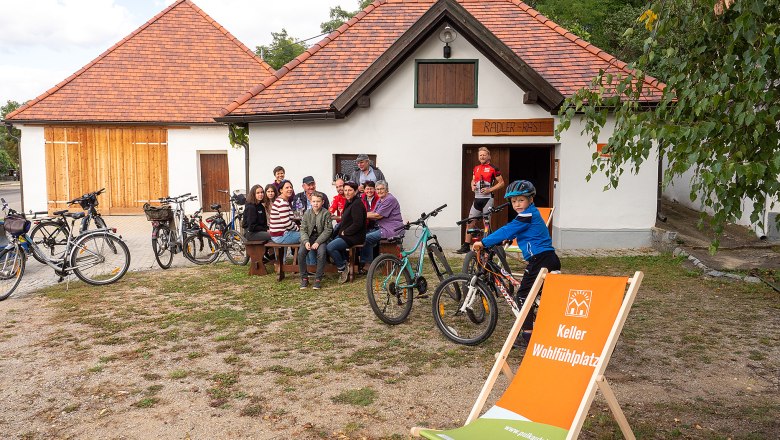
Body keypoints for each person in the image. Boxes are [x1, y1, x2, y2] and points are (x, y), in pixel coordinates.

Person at [472, 180, 560, 345]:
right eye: (514, 201)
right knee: (541, 296)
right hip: (549, 258)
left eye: (521, 200)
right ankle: (544, 326)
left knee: (522, 295)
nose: (517, 204)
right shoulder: (531, 214)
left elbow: (508, 228)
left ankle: (527, 336)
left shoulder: (527, 215)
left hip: (539, 260)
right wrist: (509, 238)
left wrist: (484, 243)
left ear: (530, 200)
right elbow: (521, 231)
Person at [456, 146, 505, 254]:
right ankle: (466, 245)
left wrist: (490, 189)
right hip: (477, 199)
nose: (482, 157)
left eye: (484, 155)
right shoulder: (476, 168)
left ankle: (487, 244)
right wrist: (472, 186)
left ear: (488, 156)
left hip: (488, 199)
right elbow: (473, 180)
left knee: (486, 223)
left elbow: (501, 183)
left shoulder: (493, 168)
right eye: (480, 155)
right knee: (470, 222)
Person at [326, 181, 366, 283]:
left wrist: (345, 232)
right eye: (345, 190)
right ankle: (345, 263)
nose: (347, 192)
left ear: (356, 191)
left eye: (350, 190)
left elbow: (358, 224)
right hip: (347, 235)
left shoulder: (357, 204)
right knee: (330, 241)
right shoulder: (349, 202)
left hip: (354, 236)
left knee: (330, 247)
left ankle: (342, 268)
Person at [361, 180, 404, 268]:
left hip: (391, 230)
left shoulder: (389, 199)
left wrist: (360, 215)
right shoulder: (381, 199)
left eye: (382, 189)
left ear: (387, 189)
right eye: (378, 189)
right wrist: (362, 214)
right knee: (364, 235)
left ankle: (368, 265)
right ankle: (372, 262)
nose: (379, 191)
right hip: (384, 227)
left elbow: (378, 215)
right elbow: (373, 212)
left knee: (366, 238)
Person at [298, 192, 333, 290]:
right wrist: (305, 241)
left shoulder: (326, 213)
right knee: (301, 253)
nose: (316, 203)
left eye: (318, 201)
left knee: (321, 253)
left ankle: (318, 279)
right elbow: (303, 229)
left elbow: (328, 230)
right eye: (313, 201)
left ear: (322, 202)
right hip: (309, 238)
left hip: (321, 238)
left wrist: (318, 242)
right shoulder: (307, 213)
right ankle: (304, 278)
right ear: (310, 202)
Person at [269, 180, 300, 250]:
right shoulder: (282, 203)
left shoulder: (280, 200)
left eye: (291, 187)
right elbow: (287, 223)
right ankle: (311, 261)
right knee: (308, 237)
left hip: (279, 234)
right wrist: (297, 228)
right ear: (281, 190)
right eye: (287, 188)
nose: (290, 189)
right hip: (281, 236)